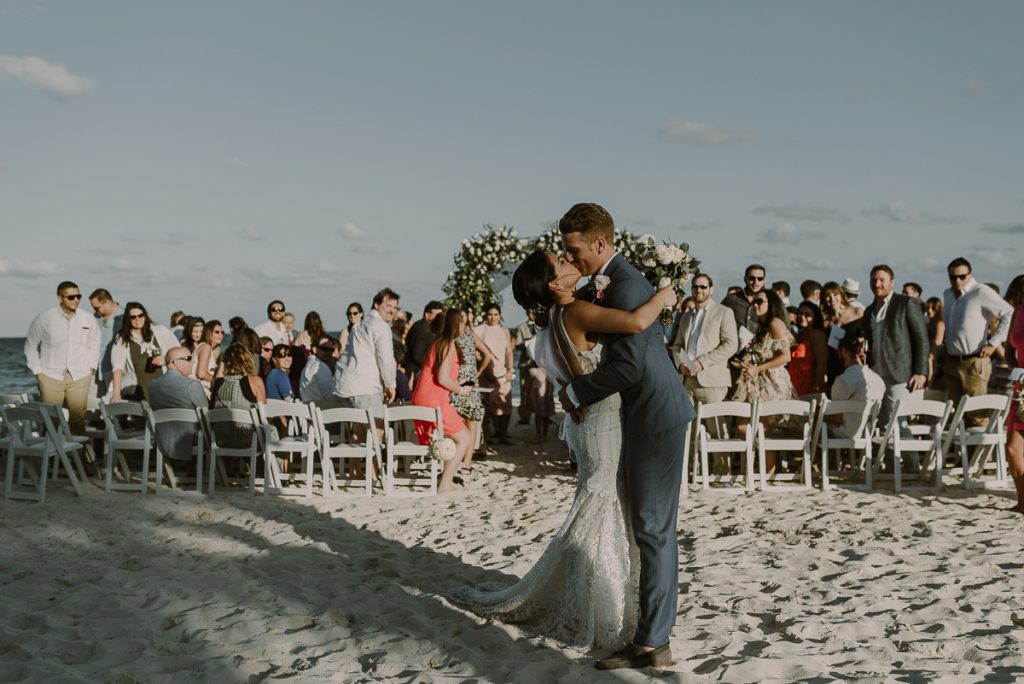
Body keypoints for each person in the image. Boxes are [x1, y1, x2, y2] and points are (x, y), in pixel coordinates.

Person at [453, 244, 676, 654]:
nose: (569, 260)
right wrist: (664, 293)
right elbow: (637, 321)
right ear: (554, 283)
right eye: (561, 262)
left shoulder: (557, 316)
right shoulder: (575, 311)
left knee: (597, 503)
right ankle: (599, 606)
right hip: (604, 420)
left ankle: (591, 598)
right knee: (602, 506)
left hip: (592, 422)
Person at [555, 203, 693, 668]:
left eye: (575, 252)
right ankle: (649, 636)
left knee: (654, 529)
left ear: (601, 244)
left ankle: (653, 644)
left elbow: (630, 365)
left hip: (655, 414)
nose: (570, 260)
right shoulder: (618, 283)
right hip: (646, 412)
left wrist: (575, 389)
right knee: (648, 528)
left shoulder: (629, 285)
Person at [861, 265, 930, 457]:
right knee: (884, 424)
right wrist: (864, 352)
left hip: (900, 371)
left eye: (882, 279)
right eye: (874, 280)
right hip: (875, 374)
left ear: (892, 282)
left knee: (899, 422)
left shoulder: (905, 303)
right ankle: (893, 469)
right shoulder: (868, 311)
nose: (877, 283)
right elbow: (868, 338)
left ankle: (911, 467)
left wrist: (921, 371)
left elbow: (921, 338)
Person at [731, 290, 798, 475]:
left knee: (764, 428)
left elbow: (786, 357)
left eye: (760, 301)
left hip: (773, 382)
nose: (756, 304)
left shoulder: (776, 323)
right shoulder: (761, 326)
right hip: (758, 382)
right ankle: (762, 470)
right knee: (747, 426)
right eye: (754, 301)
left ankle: (768, 472)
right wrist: (749, 361)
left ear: (772, 303)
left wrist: (758, 368)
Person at [410, 308, 476, 493]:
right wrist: (462, 390)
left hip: (423, 397)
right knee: (464, 437)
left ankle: (444, 477)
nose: (464, 325)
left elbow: (438, 375)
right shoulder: (448, 344)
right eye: (461, 322)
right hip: (435, 401)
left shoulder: (438, 342)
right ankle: (445, 483)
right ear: (456, 325)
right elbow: (442, 379)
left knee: (457, 435)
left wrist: (458, 382)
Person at [24, 281, 101, 435]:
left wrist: (90, 369)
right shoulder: (45, 318)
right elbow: (30, 346)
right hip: (50, 377)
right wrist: (39, 374)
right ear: (60, 298)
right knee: (51, 421)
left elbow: (95, 344)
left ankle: (78, 458)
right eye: (71, 297)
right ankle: (52, 458)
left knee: (78, 421)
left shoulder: (87, 319)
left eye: (78, 296)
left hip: (80, 377)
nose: (76, 300)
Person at [942, 257, 1013, 416]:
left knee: (976, 414)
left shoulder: (981, 291)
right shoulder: (947, 294)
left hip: (975, 361)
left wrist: (993, 343)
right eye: (953, 277)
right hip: (952, 361)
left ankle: (981, 442)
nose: (957, 280)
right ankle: (957, 441)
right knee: (953, 415)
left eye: (962, 276)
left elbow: (1009, 313)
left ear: (970, 274)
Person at [671, 273, 737, 416]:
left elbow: (731, 345)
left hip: (712, 381)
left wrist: (702, 362)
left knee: (717, 432)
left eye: (703, 286)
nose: (698, 290)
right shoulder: (686, 316)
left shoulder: (724, 312)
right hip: (687, 381)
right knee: (690, 430)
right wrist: (681, 365)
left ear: (711, 289)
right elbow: (677, 345)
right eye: (695, 287)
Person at [334, 288, 399, 427]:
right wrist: (390, 385)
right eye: (388, 305)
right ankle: (375, 450)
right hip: (364, 388)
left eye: (395, 307)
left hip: (343, 386)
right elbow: (385, 359)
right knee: (378, 429)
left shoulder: (358, 325)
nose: (392, 310)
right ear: (376, 304)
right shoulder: (380, 326)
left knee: (360, 432)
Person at [148, 346, 208, 463]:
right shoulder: (192, 385)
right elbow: (206, 415)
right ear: (174, 362)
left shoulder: (153, 385)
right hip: (189, 441)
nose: (192, 362)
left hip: (163, 440)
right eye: (188, 358)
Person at [110, 302, 179, 403]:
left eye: (140, 315)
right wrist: (116, 394)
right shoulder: (122, 339)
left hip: (164, 388)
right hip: (137, 392)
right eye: (133, 317)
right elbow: (117, 368)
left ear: (145, 316)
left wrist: (165, 359)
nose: (137, 319)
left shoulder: (160, 330)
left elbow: (179, 352)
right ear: (128, 320)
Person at [450, 310, 492, 470]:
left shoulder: (451, 337)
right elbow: (487, 354)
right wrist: (477, 372)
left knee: (459, 423)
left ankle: (458, 460)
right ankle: (466, 464)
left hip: (457, 381)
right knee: (471, 423)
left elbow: (487, 355)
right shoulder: (470, 334)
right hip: (470, 382)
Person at [828, 334, 885, 438]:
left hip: (845, 433)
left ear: (844, 351)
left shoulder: (843, 380)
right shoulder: (879, 380)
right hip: (868, 434)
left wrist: (818, 413)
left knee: (817, 423)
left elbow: (837, 417)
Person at [210, 343, 266, 448]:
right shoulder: (255, 381)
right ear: (248, 360)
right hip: (248, 440)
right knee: (272, 432)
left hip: (220, 440)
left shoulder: (216, 383)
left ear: (226, 362)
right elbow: (264, 413)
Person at [474, 303, 515, 446]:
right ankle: (489, 435)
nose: (493, 317)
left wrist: (510, 369)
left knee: (505, 403)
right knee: (488, 405)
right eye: (490, 314)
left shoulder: (504, 331)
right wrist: (484, 371)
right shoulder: (479, 330)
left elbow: (509, 351)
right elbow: (476, 353)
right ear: (485, 315)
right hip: (486, 372)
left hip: (502, 372)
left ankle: (502, 434)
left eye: (496, 314)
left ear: (500, 315)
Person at [1002, 274, 1024, 514]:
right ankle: (1023, 501)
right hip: (1021, 385)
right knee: (1013, 448)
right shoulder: (1018, 313)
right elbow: (1009, 349)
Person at [89, 288, 123, 403]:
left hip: (114, 371)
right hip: (94, 371)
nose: (94, 310)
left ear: (107, 302)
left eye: (96, 307)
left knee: (113, 408)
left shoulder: (124, 318)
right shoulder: (94, 318)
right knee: (92, 408)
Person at [788, 301, 828, 396]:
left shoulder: (816, 335)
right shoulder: (801, 335)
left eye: (807, 315)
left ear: (815, 318)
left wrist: (816, 388)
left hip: (808, 387)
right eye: (800, 313)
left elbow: (821, 364)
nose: (802, 317)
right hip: (795, 385)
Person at [405, 300, 444, 382]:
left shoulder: (424, 327)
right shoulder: (423, 329)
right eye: (437, 315)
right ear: (427, 314)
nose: (440, 318)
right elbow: (418, 355)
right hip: (419, 372)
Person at [514, 309, 538, 425]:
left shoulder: (544, 326)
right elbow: (517, 345)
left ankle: (544, 415)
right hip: (525, 365)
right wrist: (530, 342)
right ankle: (525, 417)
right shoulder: (521, 327)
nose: (532, 315)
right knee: (524, 392)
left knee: (544, 393)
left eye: (533, 312)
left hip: (541, 366)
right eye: (530, 313)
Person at [193, 319, 224, 393]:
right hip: (199, 390)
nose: (221, 334)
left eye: (222, 332)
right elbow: (201, 373)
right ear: (209, 333)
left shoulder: (205, 347)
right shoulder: (206, 347)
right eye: (217, 332)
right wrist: (216, 382)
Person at [926, 297, 946, 387]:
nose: (929, 310)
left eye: (933, 308)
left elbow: (937, 343)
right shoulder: (928, 322)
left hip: (936, 357)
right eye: (928, 307)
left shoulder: (940, 323)